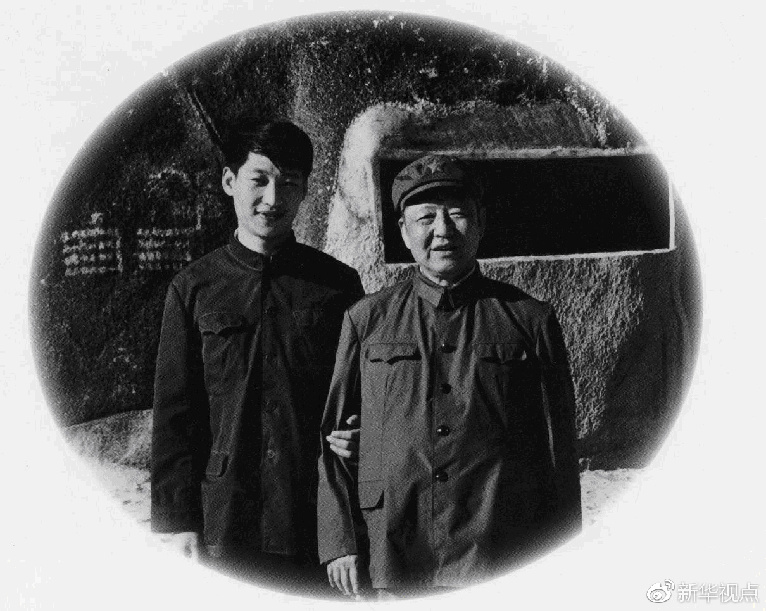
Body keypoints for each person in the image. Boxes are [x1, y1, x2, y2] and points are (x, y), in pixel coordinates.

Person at [317, 154, 582, 598]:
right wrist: (340, 542)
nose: (442, 231)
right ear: (403, 231)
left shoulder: (528, 321)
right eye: (425, 218)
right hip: (396, 544)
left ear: (481, 223)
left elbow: (558, 451)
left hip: (496, 544)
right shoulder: (367, 320)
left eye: (457, 214)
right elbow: (334, 444)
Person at [150, 119, 364, 595]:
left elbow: (360, 394)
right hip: (225, 517)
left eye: (288, 184)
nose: (272, 198)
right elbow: (175, 414)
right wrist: (177, 520)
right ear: (230, 181)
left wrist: (360, 432)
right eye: (259, 180)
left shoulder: (338, 285)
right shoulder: (193, 288)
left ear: (305, 190)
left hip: (313, 513)